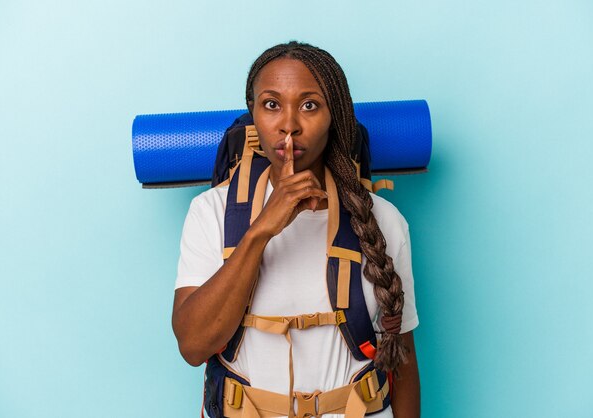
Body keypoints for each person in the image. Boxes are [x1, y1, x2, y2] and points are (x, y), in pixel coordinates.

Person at [172, 41, 420, 417]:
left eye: (310, 105)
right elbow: (193, 347)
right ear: (253, 115)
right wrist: (260, 232)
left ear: (334, 116)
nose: (289, 124)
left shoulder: (384, 220)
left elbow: (401, 360)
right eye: (272, 104)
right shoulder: (211, 213)